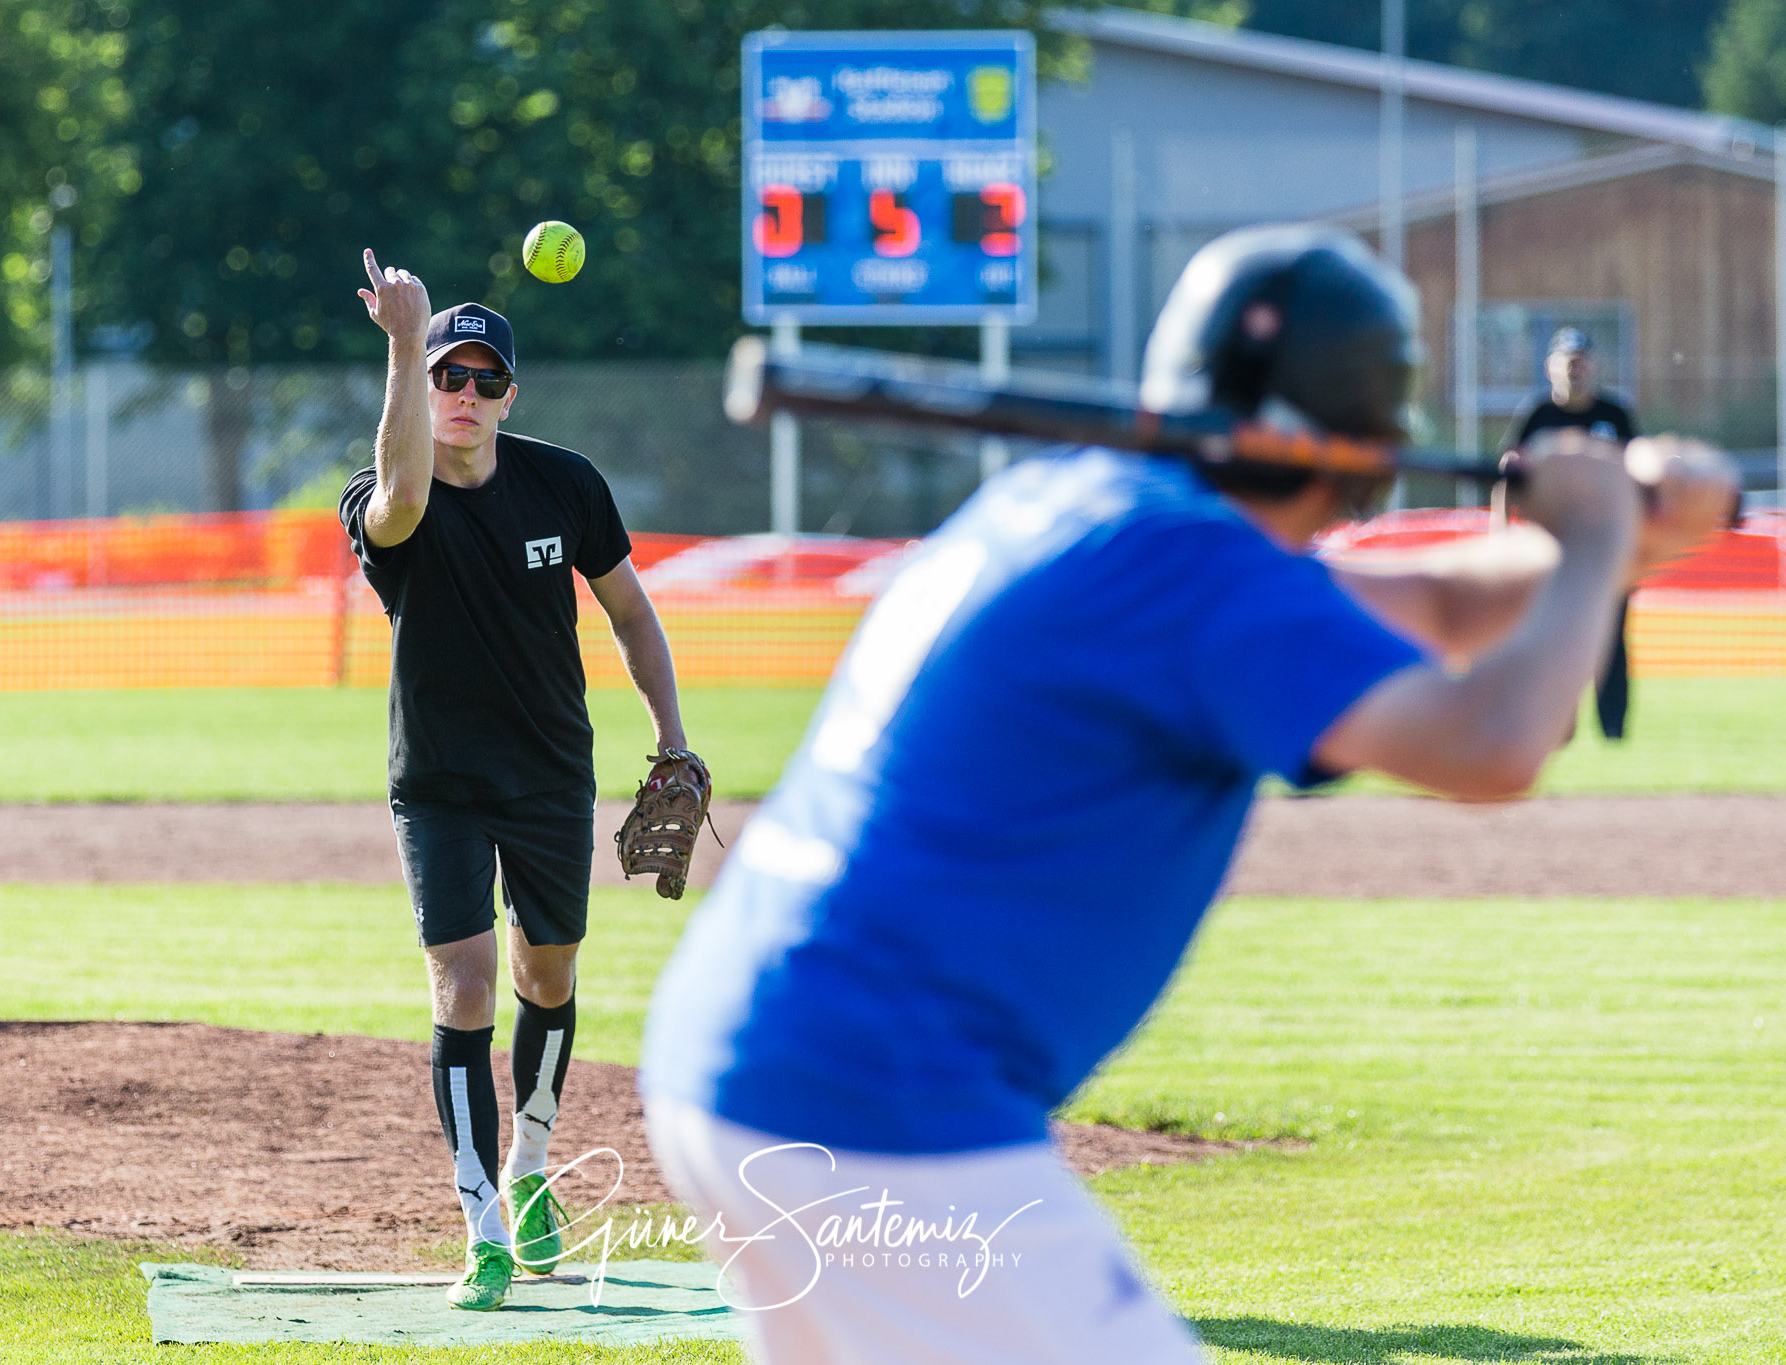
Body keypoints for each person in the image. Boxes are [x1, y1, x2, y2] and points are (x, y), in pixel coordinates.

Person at [638, 227, 1737, 1364]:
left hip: (750, 1059)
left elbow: (1445, 606)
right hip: (881, 1099)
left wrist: (1627, 538)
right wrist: (1597, 533)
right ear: (1362, 441)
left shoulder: (1100, 510)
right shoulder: (1191, 571)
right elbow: (1495, 742)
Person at [340, 250, 691, 1312]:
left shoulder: (565, 483)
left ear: (509, 394)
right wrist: (404, 340)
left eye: (484, 378)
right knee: (465, 986)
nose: (464, 393)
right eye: (450, 373)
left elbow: (630, 610)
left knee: (548, 977)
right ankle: (480, 1221)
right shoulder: (381, 497)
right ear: (426, 381)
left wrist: (670, 738)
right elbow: (401, 497)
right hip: (439, 781)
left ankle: (532, 1169)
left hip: (548, 774)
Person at [1502, 326, 1641, 739]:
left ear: (1593, 366)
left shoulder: (1615, 416)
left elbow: (1640, 476)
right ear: (1551, 367)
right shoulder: (1538, 416)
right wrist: (1499, 532)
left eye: (1581, 361)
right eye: (1567, 361)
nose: (1575, 369)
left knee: (1612, 638)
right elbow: (1508, 474)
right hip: (1553, 544)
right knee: (1554, 634)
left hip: (1607, 543)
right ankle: (1558, 726)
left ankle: (1613, 731)